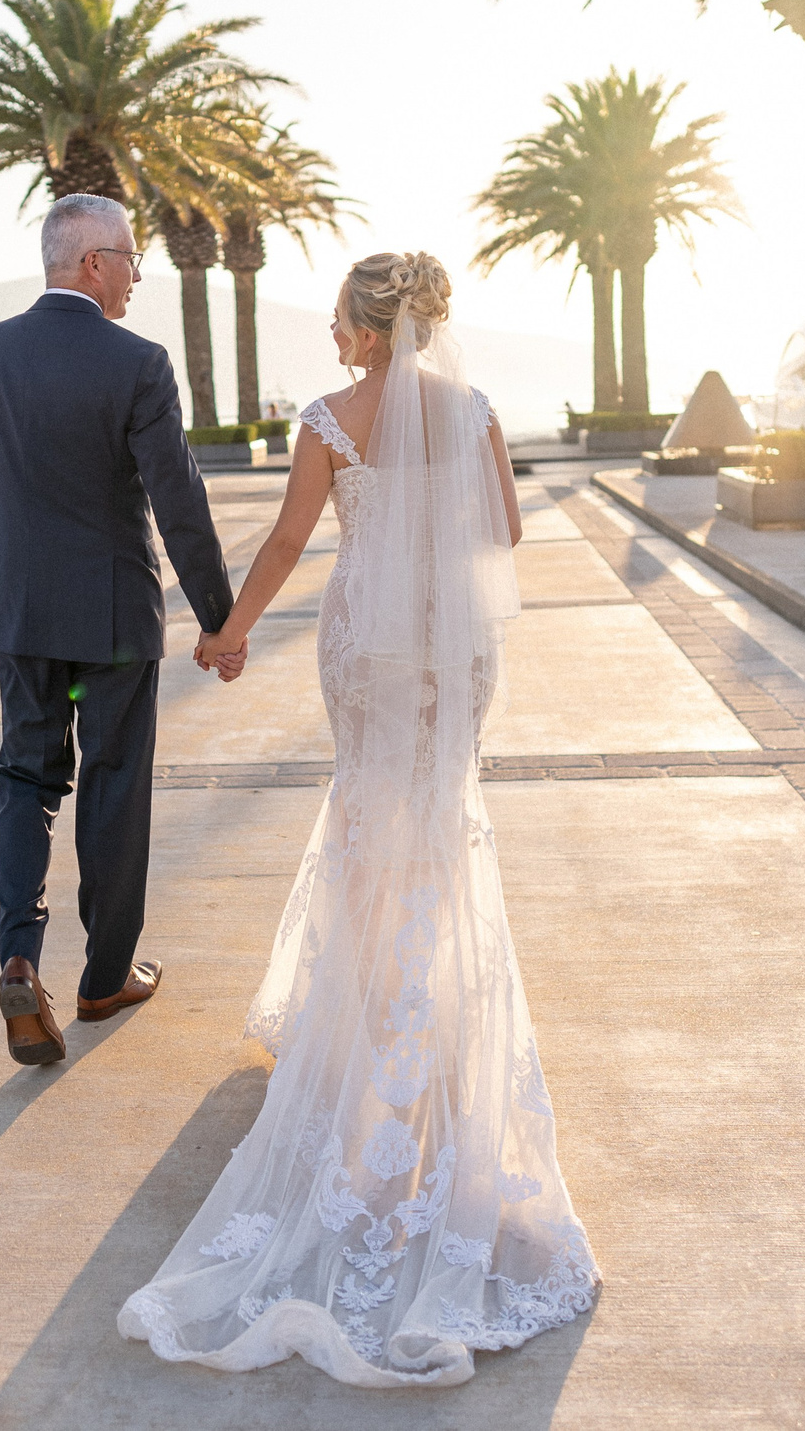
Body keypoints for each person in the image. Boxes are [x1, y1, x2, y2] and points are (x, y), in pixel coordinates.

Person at [119, 252, 598, 1387]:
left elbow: (288, 541)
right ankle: (431, 1031)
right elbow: (509, 539)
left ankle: (376, 1019)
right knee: (439, 827)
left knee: (371, 836)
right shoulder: (473, 408)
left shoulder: (331, 420)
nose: (330, 333)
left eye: (339, 318)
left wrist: (229, 632)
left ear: (373, 330)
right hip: (453, 653)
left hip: (366, 656)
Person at [0, 194, 242, 1069]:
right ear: (93, 263)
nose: (140, 275)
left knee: (25, 776)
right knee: (112, 782)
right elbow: (178, 498)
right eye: (134, 259)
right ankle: (105, 976)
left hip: (23, 616)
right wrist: (219, 620)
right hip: (111, 620)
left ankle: (20, 957)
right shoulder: (137, 362)